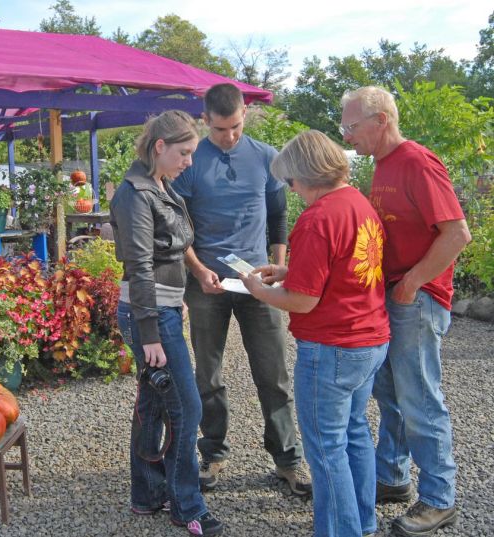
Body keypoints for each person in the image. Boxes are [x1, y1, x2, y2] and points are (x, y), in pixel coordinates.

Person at [238, 130, 390, 537]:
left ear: (306, 174)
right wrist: (291, 270)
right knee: (355, 432)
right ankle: (363, 521)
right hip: (370, 337)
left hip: (332, 346)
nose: (291, 189)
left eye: (290, 181)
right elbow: (347, 267)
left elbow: (302, 301)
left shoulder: (318, 217)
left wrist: (260, 290)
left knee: (325, 449)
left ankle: (341, 531)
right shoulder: (359, 203)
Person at [340, 86, 472, 537]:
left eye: (352, 126)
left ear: (381, 121)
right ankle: (392, 477)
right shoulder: (382, 165)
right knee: (391, 394)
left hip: (416, 298)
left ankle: (439, 499)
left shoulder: (416, 161)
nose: (347, 135)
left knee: (419, 399)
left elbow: (456, 234)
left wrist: (414, 281)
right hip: (393, 294)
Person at [172, 83, 310, 495]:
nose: (228, 136)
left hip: (259, 283)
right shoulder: (190, 162)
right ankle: (212, 454)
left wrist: (279, 266)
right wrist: (197, 271)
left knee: (273, 373)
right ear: (204, 120)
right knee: (208, 374)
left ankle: (288, 460)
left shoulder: (267, 158)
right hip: (207, 284)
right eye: (218, 130)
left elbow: (278, 218)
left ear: (244, 115)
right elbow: (179, 226)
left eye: (234, 127)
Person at [111, 110, 224, 536]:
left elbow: (174, 247)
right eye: (184, 152)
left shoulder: (159, 185)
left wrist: (191, 279)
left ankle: (147, 493)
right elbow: (139, 266)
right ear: (160, 147)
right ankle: (187, 506)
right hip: (150, 313)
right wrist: (151, 332)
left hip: (163, 307)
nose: (189, 161)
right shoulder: (136, 194)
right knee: (186, 406)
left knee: (155, 402)